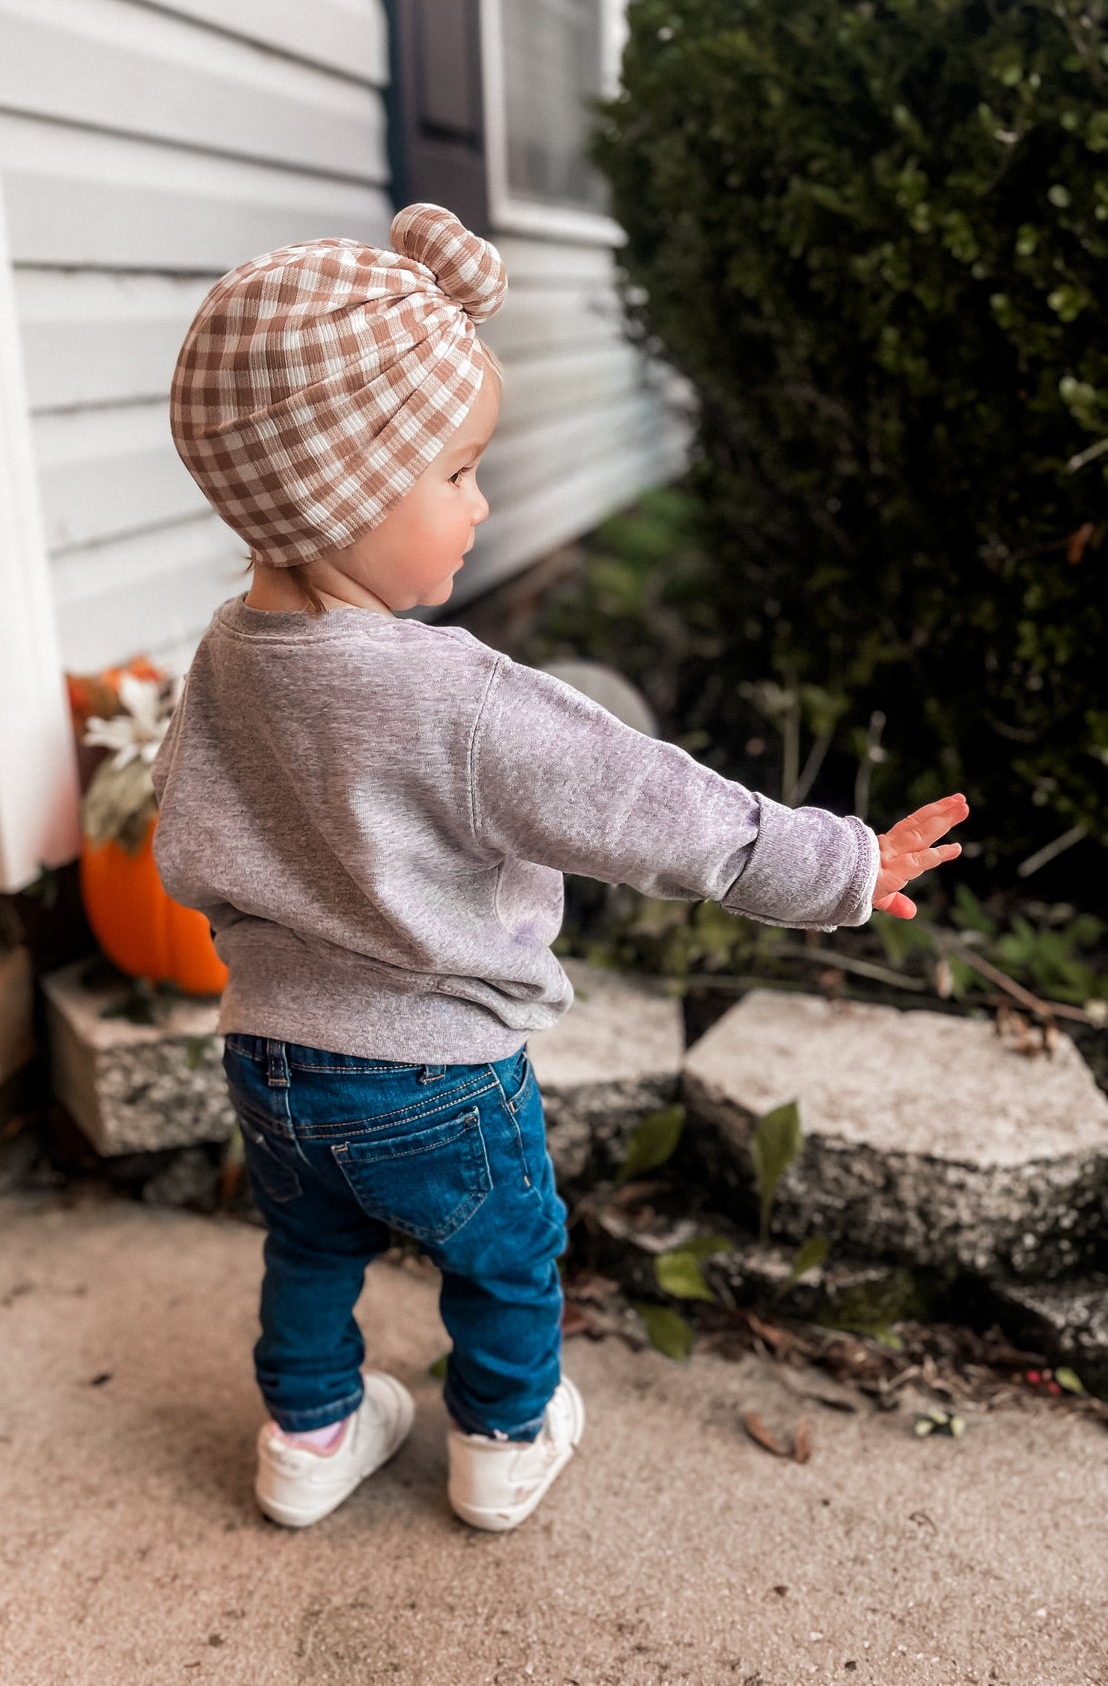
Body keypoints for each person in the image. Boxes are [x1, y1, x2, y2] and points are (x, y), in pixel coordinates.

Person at [149, 202, 967, 1534]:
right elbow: (647, 804)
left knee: (308, 1249)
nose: (483, 503)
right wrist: (832, 862)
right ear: (337, 492)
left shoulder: (225, 655)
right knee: (504, 1252)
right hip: (439, 1075)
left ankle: (307, 1438)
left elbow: (187, 837)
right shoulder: (456, 695)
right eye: (458, 473)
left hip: (270, 1059)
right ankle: (501, 1440)